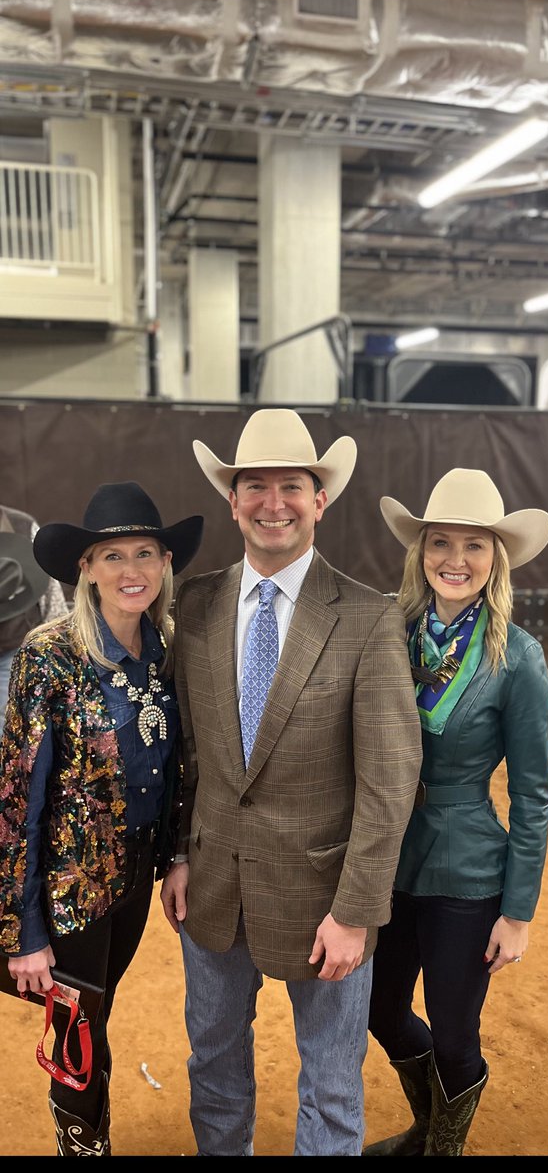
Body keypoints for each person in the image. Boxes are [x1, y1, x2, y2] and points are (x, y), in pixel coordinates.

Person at [161, 407, 423, 1157]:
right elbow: (189, 752)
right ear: (233, 498)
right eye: (256, 486)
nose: (273, 502)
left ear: (320, 499)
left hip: (325, 905)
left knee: (333, 1087)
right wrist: (180, 854)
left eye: (291, 487)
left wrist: (357, 910)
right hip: (211, 892)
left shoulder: (369, 620)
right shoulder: (199, 603)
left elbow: (389, 780)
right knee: (212, 1069)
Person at [0, 481, 203, 1157]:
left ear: (165, 564)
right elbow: (16, 802)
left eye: (145, 553)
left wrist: (175, 856)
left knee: (97, 1011)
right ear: (84, 567)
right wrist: (23, 931)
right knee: (78, 1029)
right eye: (112, 557)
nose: (131, 571)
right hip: (69, 888)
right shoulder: (47, 657)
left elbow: (178, 771)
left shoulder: (168, 650)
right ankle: (84, 1146)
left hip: (136, 875)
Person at [362, 467, 548, 1158]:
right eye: (440, 542)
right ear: (420, 553)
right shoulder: (391, 631)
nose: (455, 560)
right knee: (379, 1010)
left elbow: (534, 792)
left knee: (453, 1031)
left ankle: (440, 1148)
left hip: (468, 868)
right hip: (387, 857)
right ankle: (427, 1130)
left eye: (474, 546)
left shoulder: (519, 658)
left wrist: (520, 910)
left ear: (496, 558)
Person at [0, 503, 69, 727]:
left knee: (8, 724)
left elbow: (50, 591)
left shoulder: (22, 525)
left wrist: (58, 646)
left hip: (14, 648)